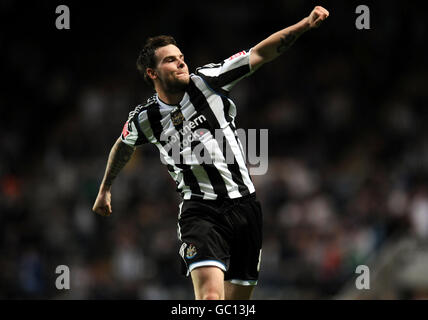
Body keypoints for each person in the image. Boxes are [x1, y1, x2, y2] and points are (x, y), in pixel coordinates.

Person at [92, 6, 329, 300]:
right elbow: (123, 145)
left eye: (181, 58)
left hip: (245, 207)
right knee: (210, 299)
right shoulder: (145, 118)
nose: (181, 64)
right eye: (170, 60)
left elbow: (259, 54)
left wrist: (305, 24)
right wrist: (105, 189)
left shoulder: (208, 80)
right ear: (153, 73)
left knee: (237, 301)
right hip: (200, 212)